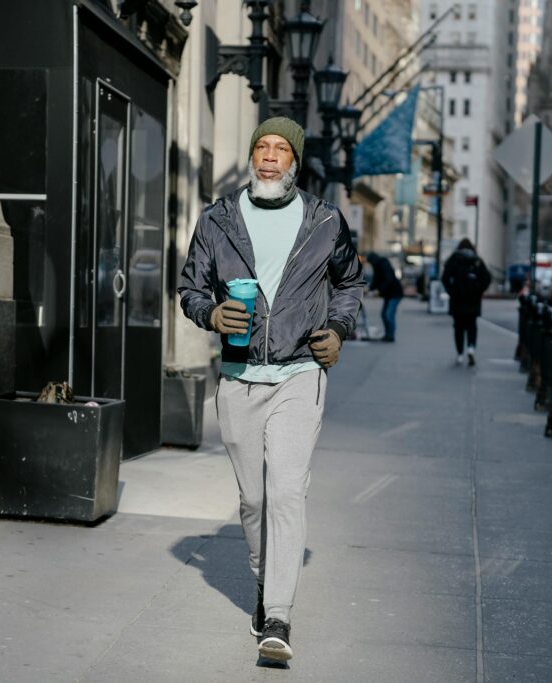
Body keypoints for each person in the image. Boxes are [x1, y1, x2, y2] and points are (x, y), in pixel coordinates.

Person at [177, 117, 365, 663]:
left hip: (299, 371)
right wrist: (211, 313)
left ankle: (278, 615)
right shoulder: (218, 219)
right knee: (254, 499)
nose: (269, 157)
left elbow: (350, 283)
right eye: (262, 146)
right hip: (238, 376)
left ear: (295, 162)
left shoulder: (325, 220)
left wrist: (337, 330)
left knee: (285, 491)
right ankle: (264, 582)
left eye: (282, 149)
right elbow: (190, 287)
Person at [441, 238, 492, 366]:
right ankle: (471, 348)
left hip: (457, 299)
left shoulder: (454, 259)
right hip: (473, 299)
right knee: (472, 326)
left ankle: (459, 354)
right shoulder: (477, 260)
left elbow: (445, 278)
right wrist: (479, 290)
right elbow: (487, 278)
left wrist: (451, 291)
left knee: (458, 327)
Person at [365, 252, 404, 342]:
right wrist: (370, 289)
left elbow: (388, 279)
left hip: (395, 293)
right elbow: (376, 279)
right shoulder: (378, 265)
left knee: (389, 314)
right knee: (384, 314)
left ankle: (390, 336)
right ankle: (387, 334)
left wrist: (379, 290)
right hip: (389, 294)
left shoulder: (383, 264)